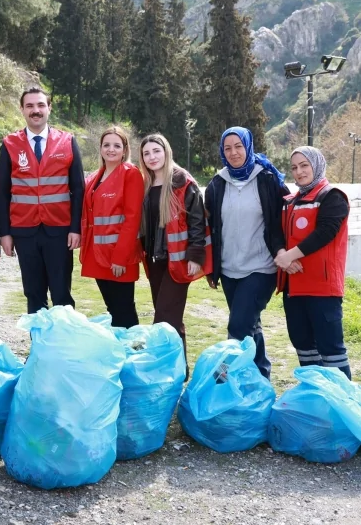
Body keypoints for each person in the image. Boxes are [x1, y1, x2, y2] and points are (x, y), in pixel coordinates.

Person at [204, 126, 290, 379]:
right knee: (251, 324)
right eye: (227, 148)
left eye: (238, 146)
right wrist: (212, 267)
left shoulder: (267, 179)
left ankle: (222, 377)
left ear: (249, 146)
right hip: (230, 269)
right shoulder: (217, 184)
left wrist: (286, 252)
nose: (233, 153)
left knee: (238, 326)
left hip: (261, 267)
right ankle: (260, 375)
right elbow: (212, 229)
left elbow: (280, 219)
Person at [0, 87, 85, 313]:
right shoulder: (9, 144)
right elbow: (3, 192)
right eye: (30, 106)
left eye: (40, 105)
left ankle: (62, 346)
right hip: (24, 232)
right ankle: (40, 347)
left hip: (60, 231)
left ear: (49, 108)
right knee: (34, 294)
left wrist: (76, 228)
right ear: (22, 110)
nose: (35, 111)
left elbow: (78, 188)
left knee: (62, 294)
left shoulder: (67, 141)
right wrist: (5, 233)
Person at [274, 146, 352, 379]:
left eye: (304, 165)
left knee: (331, 349)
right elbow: (277, 233)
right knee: (303, 345)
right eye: (294, 168)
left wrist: (291, 255)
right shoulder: (289, 201)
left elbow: (326, 231)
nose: (299, 172)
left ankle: (343, 404)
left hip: (322, 288)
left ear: (317, 165)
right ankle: (314, 398)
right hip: (294, 287)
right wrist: (283, 257)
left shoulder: (332, 196)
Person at [139, 133, 211, 377]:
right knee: (170, 318)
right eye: (146, 153)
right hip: (154, 261)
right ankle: (179, 370)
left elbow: (197, 221)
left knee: (164, 318)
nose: (152, 157)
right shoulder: (146, 183)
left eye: (156, 151)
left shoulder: (182, 182)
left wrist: (195, 256)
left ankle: (167, 371)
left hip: (177, 260)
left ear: (166, 151)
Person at [80, 126, 144, 328]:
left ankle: (134, 352)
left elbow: (132, 218)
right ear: (100, 148)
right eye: (106, 145)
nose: (111, 149)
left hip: (118, 258)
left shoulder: (130, 174)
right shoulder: (95, 177)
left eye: (117, 145)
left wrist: (120, 258)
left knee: (124, 310)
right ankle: (122, 352)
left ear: (124, 150)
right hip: (97, 255)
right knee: (112, 309)